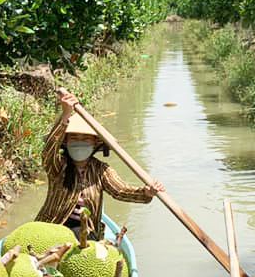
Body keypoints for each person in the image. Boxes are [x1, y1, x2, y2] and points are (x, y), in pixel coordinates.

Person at [35, 88, 165, 239]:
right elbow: (48, 151)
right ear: (65, 142)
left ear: (95, 144)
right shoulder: (58, 165)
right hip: (52, 226)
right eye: (74, 138)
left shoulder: (101, 170)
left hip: (84, 231)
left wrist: (146, 192)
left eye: (85, 139)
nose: (79, 143)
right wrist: (65, 114)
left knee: (80, 237)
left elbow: (121, 191)